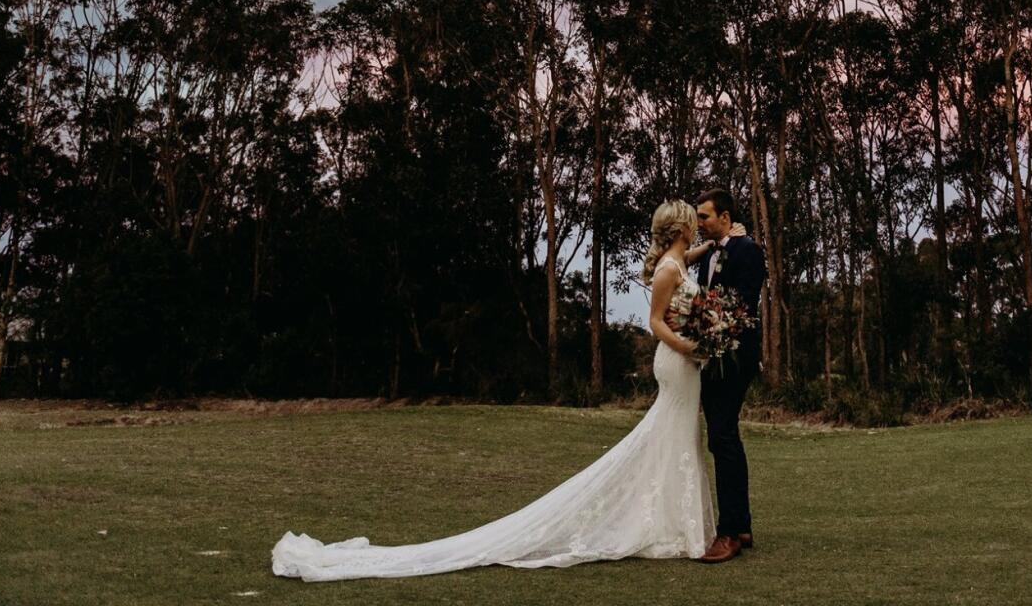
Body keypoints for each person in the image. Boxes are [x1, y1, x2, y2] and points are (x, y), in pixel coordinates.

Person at [269, 199, 716, 580]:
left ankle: (677, 524)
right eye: (694, 222)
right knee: (671, 437)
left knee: (677, 440)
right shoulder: (665, 271)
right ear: (682, 227)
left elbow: (684, 264)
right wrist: (689, 344)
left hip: (686, 365)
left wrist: (711, 248)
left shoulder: (678, 261)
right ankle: (677, 528)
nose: (698, 224)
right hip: (677, 363)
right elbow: (654, 323)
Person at [686, 186, 768, 564]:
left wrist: (714, 325)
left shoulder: (747, 250)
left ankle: (730, 533)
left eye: (704, 216)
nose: (699, 222)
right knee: (726, 436)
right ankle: (743, 524)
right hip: (712, 357)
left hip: (734, 358)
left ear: (725, 216)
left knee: (721, 436)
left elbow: (744, 305)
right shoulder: (707, 256)